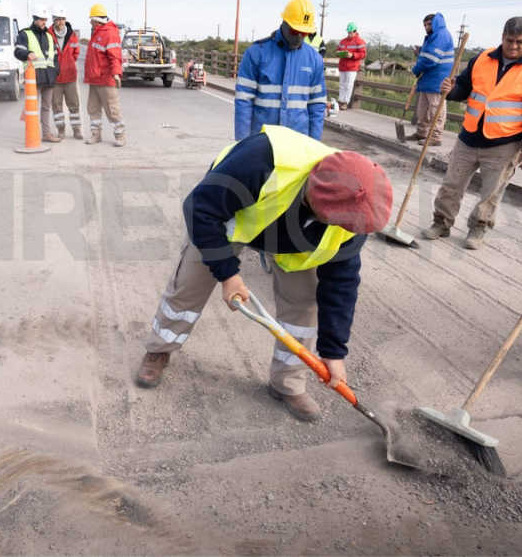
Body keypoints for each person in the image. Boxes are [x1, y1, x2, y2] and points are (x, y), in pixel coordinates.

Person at [134, 125, 393, 422]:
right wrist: (228, 275)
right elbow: (199, 209)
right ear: (313, 197)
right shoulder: (261, 161)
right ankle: (159, 348)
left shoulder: (353, 218)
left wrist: (334, 353)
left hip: (294, 240)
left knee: (304, 304)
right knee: (189, 284)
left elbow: (341, 286)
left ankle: (287, 383)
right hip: (232, 220)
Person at [421, 16, 522, 250]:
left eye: (519, 42)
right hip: (469, 136)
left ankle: (478, 228)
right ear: (502, 36)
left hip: (505, 143)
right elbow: (463, 87)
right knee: (451, 184)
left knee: (490, 193)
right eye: (509, 40)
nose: (513, 46)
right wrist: (451, 90)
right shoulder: (481, 59)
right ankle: (441, 222)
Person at [234, 0, 328, 141]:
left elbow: (317, 105)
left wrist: (314, 146)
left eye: (304, 33)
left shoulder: (314, 60)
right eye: (295, 31)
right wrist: (241, 145)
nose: (299, 37)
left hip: (298, 142)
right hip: (262, 142)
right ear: (284, 24)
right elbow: (244, 100)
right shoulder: (256, 53)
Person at [14, 6, 61, 143]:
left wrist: (56, 71)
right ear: (35, 19)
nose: (44, 22)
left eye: (45, 20)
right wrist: (27, 53)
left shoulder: (49, 36)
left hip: (49, 78)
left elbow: (55, 57)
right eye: (41, 20)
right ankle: (31, 135)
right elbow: (17, 51)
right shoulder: (25, 34)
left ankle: (46, 134)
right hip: (33, 78)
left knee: (46, 107)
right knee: (31, 108)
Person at [84, 4, 126, 147]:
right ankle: (96, 135)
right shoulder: (97, 33)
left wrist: (116, 73)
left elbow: (115, 56)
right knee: (93, 109)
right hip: (94, 79)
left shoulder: (109, 33)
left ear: (97, 20)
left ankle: (120, 135)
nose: (90, 22)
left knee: (112, 109)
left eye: (91, 20)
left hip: (106, 79)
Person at [411, 13, 455, 146]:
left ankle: (435, 136)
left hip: (438, 79)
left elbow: (431, 59)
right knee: (423, 108)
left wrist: (415, 69)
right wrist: (420, 53)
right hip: (428, 79)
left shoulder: (441, 35)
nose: (426, 27)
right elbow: (428, 55)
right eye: (424, 25)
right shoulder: (433, 37)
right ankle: (421, 132)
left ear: (435, 23)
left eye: (429, 24)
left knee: (436, 109)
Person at [49, 7, 83, 140]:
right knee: (57, 107)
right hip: (55, 79)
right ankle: (61, 130)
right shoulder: (48, 35)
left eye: (63, 19)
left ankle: (76, 130)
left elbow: (76, 54)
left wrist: (67, 65)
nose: (61, 22)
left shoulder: (72, 36)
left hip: (70, 78)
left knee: (74, 105)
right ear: (54, 20)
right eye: (58, 19)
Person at [336, 23, 367, 108]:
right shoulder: (342, 41)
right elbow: (337, 50)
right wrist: (338, 53)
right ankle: (340, 100)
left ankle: (345, 102)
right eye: (348, 32)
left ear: (355, 31)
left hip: (352, 67)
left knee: (349, 85)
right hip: (343, 65)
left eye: (350, 32)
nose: (349, 34)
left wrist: (353, 55)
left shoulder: (360, 41)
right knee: (342, 85)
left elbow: (363, 54)